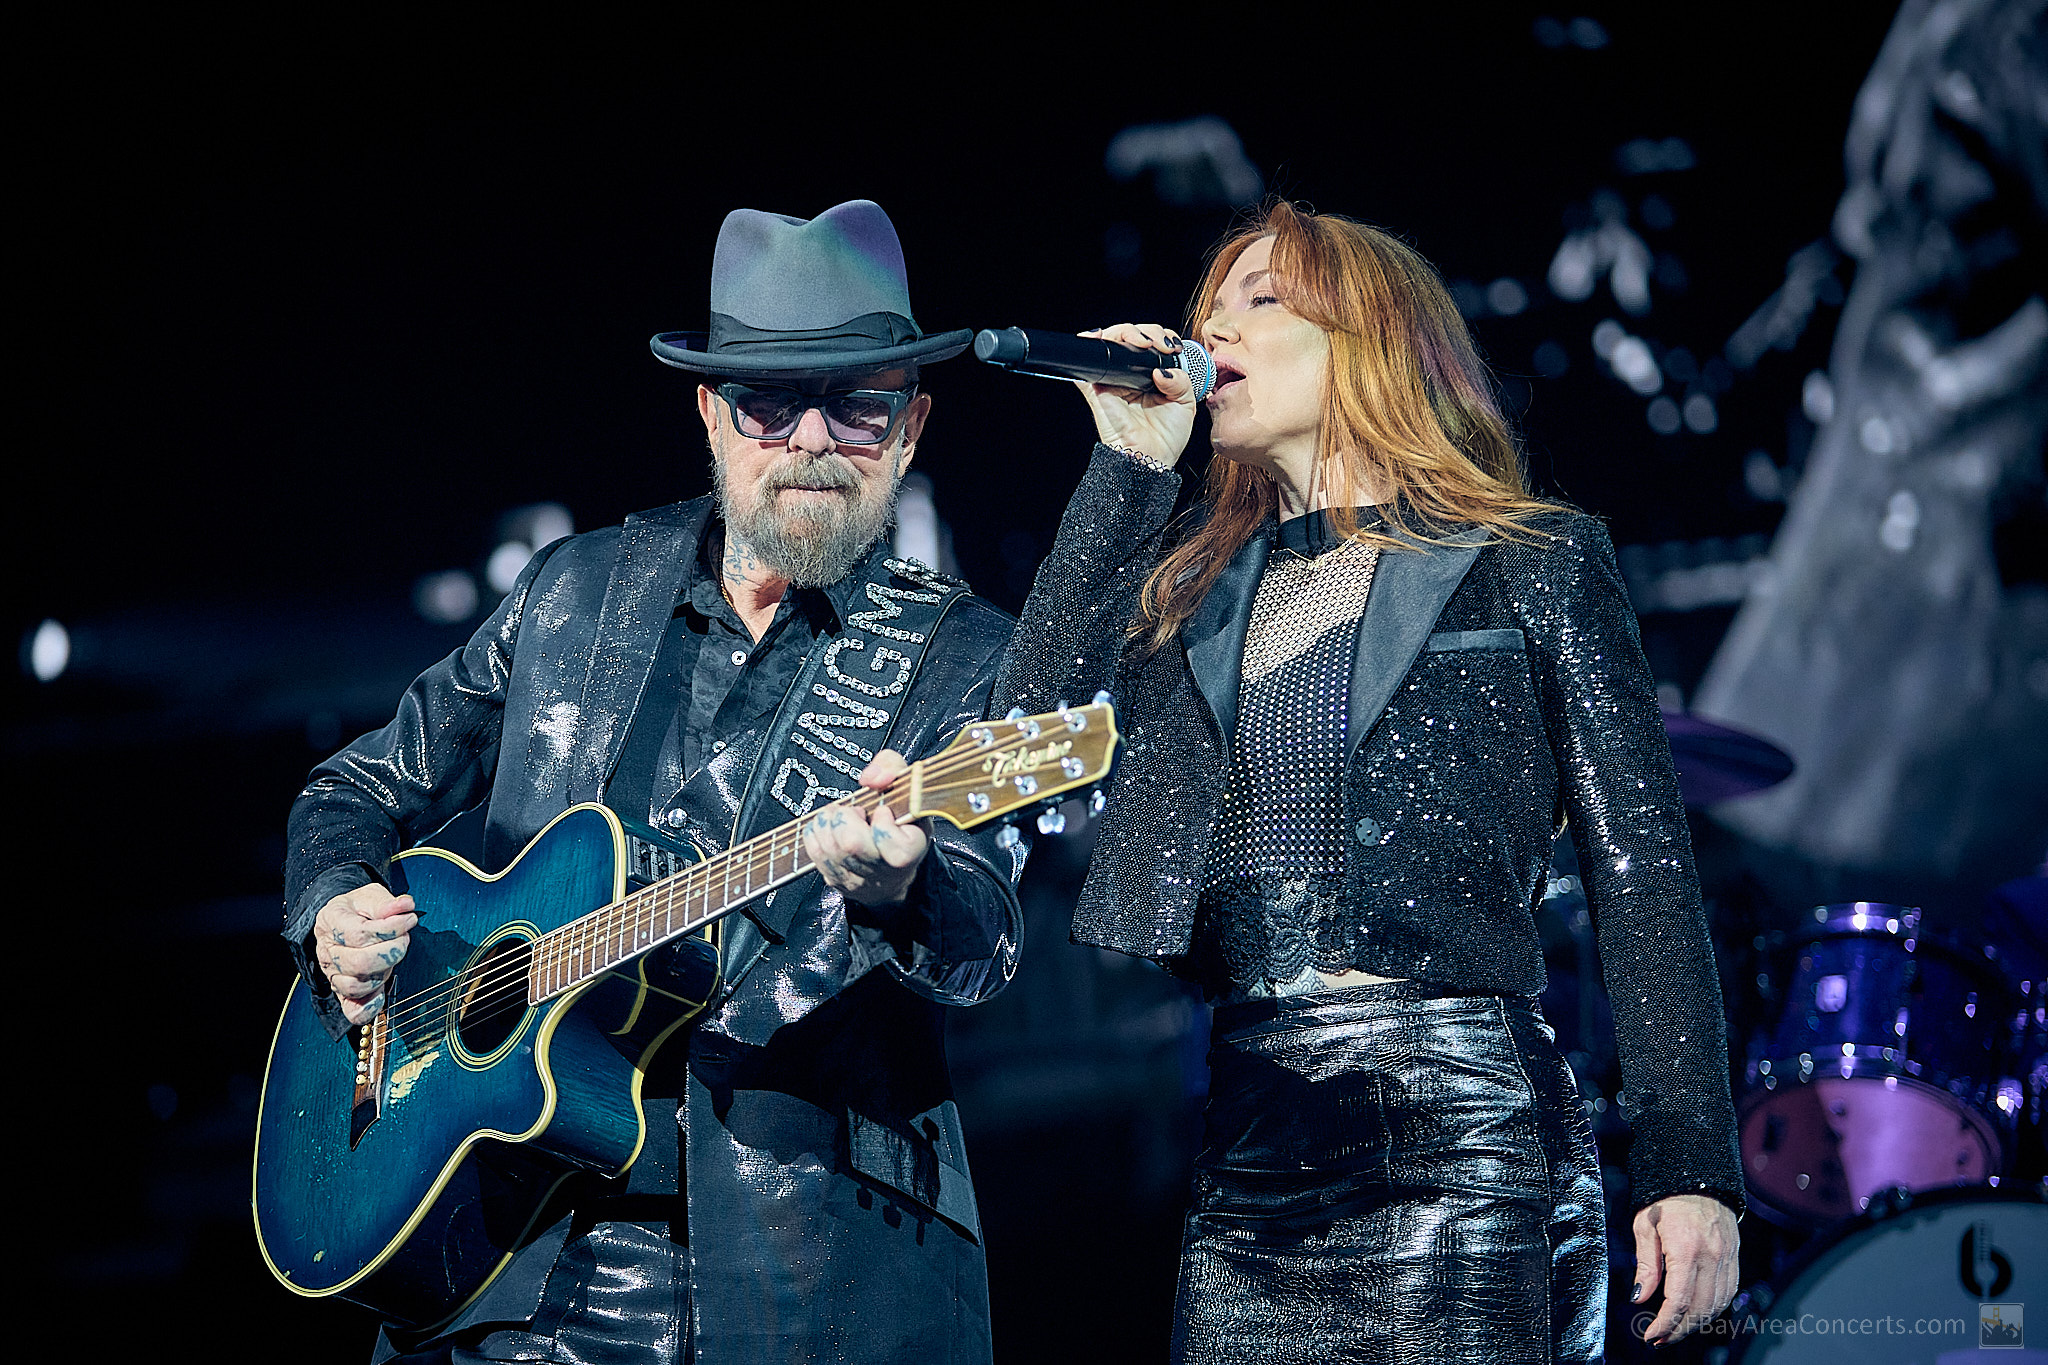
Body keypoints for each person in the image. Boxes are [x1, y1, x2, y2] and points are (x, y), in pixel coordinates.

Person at [991, 202, 1742, 1362]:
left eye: (1261, 298)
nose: (1211, 329)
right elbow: (1015, 739)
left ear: (1372, 342)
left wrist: (1690, 1165)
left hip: (1456, 1139)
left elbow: (1639, 871)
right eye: (1206, 309)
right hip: (1247, 1151)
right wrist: (1124, 472)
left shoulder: (1528, 564)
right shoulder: (1184, 604)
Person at [283, 199, 1025, 1365]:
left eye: (858, 405)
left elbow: (985, 924)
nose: (812, 440)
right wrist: (331, 904)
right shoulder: (573, 591)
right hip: (498, 1259)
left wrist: (906, 886)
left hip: (794, 1267)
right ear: (710, 414)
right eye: (770, 404)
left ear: (914, 424)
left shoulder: (967, 657)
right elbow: (356, 789)